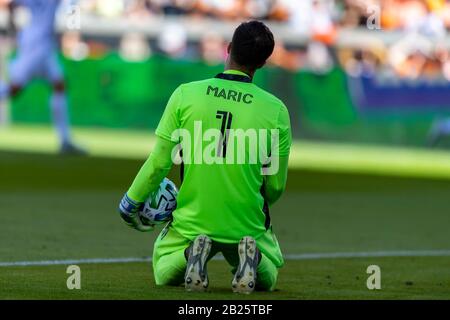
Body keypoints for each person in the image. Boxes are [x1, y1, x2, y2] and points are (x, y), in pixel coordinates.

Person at [118, 21, 292, 294]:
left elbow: (160, 163)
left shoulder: (186, 94)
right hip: (245, 221)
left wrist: (131, 201)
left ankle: (189, 256)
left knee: (163, 270)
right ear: (262, 63)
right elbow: (276, 188)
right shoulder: (276, 111)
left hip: (193, 221)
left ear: (229, 48)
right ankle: (254, 258)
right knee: (267, 278)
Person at [0, 0, 85, 154]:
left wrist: (13, 28)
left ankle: (65, 141)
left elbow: (9, 4)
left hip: (41, 44)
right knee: (14, 90)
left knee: (59, 85)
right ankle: (65, 140)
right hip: (35, 46)